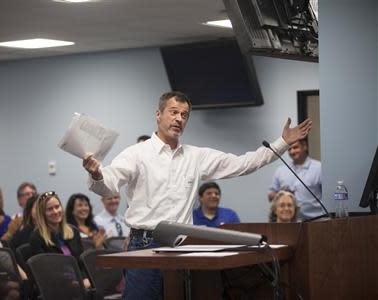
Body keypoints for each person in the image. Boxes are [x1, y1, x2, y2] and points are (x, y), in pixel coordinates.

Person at [82, 91, 311, 300]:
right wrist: (96, 173)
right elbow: (108, 184)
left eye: (184, 115)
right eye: (173, 112)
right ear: (158, 114)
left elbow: (243, 163)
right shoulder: (137, 154)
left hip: (183, 246)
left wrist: (282, 143)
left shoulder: (195, 157)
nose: (179, 119)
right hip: (145, 244)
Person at [30, 191, 91, 288]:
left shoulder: (73, 231)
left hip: (79, 281)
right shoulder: (37, 237)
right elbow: (45, 270)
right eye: (49, 209)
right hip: (56, 285)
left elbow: (81, 262)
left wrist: (85, 279)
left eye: (57, 207)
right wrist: (72, 283)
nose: (55, 211)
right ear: (42, 214)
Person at [268, 138, 323, 220]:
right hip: (291, 222)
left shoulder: (319, 168)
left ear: (305, 147)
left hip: (316, 220)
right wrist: (282, 194)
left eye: (295, 147)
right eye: (289, 149)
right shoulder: (281, 170)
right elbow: (270, 195)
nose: (292, 152)